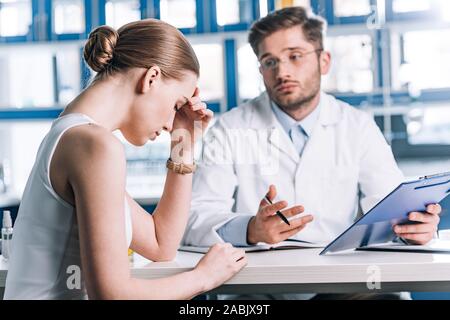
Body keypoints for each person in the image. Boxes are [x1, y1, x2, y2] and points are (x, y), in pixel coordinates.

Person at [182, 7, 441, 299]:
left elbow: (388, 207)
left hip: (342, 284)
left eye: (295, 55)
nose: (283, 72)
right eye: (270, 62)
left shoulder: (358, 126)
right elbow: (193, 218)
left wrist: (412, 228)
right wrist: (251, 230)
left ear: (324, 60)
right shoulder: (230, 128)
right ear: (260, 71)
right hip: (256, 285)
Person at [4, 19, 247, 300]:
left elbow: (160, 243)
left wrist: (184, 142)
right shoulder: (94, 145)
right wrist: (203, 278)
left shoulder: (74, 135)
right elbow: (113, 295)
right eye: (176, 105)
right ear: (151, 78)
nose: (172, 122)